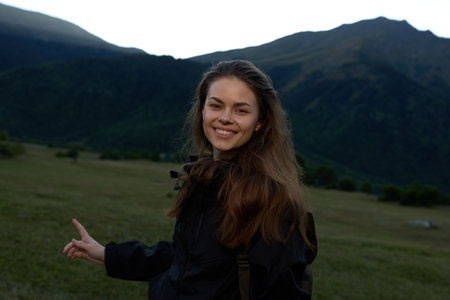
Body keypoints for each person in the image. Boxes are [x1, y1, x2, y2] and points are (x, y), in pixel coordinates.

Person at [63, 60, 317, 299]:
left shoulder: (271, 200)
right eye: (216, 105)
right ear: (202, 110)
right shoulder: (204, 179)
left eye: (241, 110)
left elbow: (283, 291)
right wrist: (110, 255)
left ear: (260, 122)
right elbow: (185, 258)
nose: (225, 117)